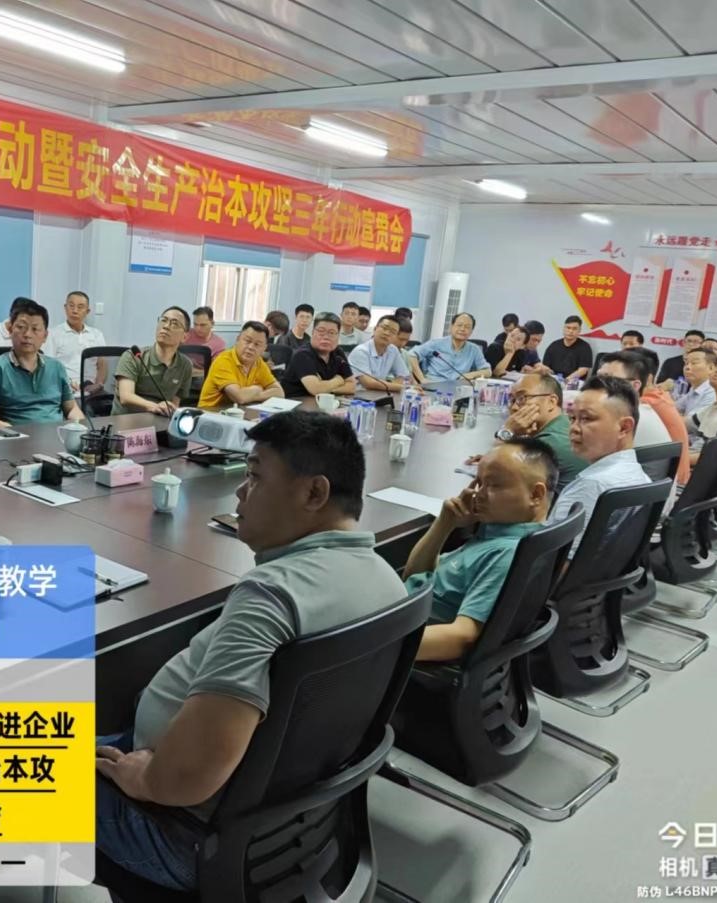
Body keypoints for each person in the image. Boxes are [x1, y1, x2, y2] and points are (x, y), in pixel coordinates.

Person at [95, 411, 405, 890]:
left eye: (256, 477)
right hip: (288, 831)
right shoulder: (388, 582)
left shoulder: (272, 596)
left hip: (181, 833)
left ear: (314, 493)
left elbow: (188, 777)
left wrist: (145, 780)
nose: (240, 493)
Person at [404, 439, 557, 662]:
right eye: (479, 482)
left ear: (535, 494)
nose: (478, 494)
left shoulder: (506, 554)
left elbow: (463, 637)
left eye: (493, 485)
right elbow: (413, 576)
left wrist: (375, 645)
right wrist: (445, 522)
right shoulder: (498, 532)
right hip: (400, 613)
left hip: (397, 639)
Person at [545, 375, 650, 557]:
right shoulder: (641, 476)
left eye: (586, 419)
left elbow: (556, 564)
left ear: (624, 427)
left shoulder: (591, 485)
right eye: (572, 418)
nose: (574, 428)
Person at [0, 299, 84, 428]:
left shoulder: (56, 367)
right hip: (16, 435)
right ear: (10, 330)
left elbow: (71, 408)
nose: (27, 335)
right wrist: (9, 430)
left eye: (35, 329)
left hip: (55, 433)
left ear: (45, 336)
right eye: (21, 327)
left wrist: (78, 426)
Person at [485, 372, 587, 489]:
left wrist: (507, 432)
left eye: (522, 398)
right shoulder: (563, 423)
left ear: (551, 402)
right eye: (512, 400)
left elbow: (490, 473)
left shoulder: (551, 442)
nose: (514, 407)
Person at [112, 306, 193, 415]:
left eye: (174, 324)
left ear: (184, 337)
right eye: (163, 320)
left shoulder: (185, 365)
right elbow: (126, 397)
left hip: (160, 420)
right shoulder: (134, 356)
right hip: (127, 421)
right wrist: (155, 407)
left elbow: (174, 403)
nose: (166, 326)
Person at [634, 347, 692, 488]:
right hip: (669, 480)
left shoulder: (645, 405)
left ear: (647, 379)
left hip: (666, 486)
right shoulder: (659, 395)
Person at [198, 321, 284, 409]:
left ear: (264, 348)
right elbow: (239, 397)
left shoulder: (259, 363)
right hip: (211, 412)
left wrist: (257, 395)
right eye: (247, 341)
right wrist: (257, 388)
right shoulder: (223, 361)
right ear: (238, 339)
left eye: (257, 344)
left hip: (239, 411)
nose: (251, 347)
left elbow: (279, 392)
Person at [596, 351, 673, 448]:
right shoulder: (633, 410)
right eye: (598, 378)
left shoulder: (629, 417)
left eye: (609, 379)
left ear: (635, 385)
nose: (597, 384)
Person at [42, 290, 107, 393]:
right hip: (64, 388)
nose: (75, 311)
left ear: (87, 311)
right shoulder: (53, 334)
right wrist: (66, 384)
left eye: (80, 307)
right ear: (65, 308)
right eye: (71, 306)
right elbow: (48, 366)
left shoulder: (97, 334)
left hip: (91, 388)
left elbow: (102, 364)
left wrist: (98, 384)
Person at [280, 312, 356, 399]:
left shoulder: (338, 353)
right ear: (312, 332)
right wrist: (338, 380)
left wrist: (327, 389)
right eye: (321, 331)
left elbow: (352, 387)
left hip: (324, 402)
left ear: (338, 336)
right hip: (297, 402)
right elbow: (316, 389)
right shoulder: (302, 354)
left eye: (331, 333)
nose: (326, 337)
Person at [407, 312, 490, 383]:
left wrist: (470, 375)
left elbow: (488, 371)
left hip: (458, 389)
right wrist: (422, 379)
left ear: (471, 331)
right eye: (459, 325)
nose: (462, 329)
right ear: (451, 327)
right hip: (434, 386)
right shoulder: (436, 343)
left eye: (467, 327)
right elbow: (411, 355)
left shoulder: (474, 349)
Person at [348, 314, 410, 391]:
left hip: (381, 393)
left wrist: (395, 385)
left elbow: (404, 376)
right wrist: (401, 387)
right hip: (360, 394)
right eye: (384, 328)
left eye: (393, 332)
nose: (387, 333)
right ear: (375, 329)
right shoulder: (361, 351)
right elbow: (368, 383)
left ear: (395, 336)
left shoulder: (393, 350)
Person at [542, 315, 593, 381]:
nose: (571, 331)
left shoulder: (585, 347)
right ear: (564, 329)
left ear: (579, 330)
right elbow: (545, 366)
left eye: (574, 329)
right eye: (568, 328)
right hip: (554, 381)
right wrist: (553, 377)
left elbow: (583, 370)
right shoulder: (553, 346)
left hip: (573, 382)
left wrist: (566, 380)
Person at [674, 348, 717, 416]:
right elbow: (674, 407)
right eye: (686, 363)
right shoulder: (695, 388)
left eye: (694, 363)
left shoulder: (713, 392)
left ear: (711, 368)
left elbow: (691, 421)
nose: (687, 367)